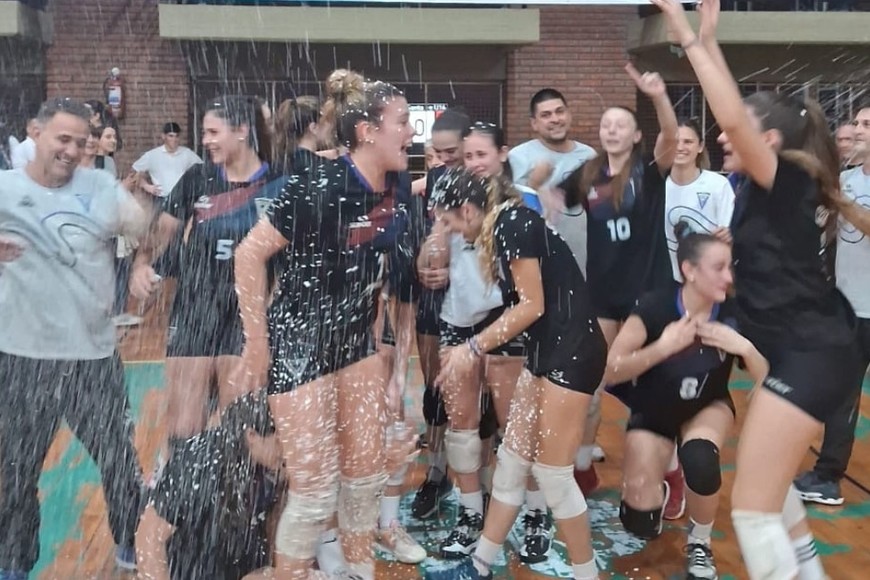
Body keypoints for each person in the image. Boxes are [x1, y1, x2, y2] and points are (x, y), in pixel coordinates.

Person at [653, 1, 862, 578]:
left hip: (813, 349)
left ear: (766, 140)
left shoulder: (783, 176)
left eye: (737, 130)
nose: (721, 135)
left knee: (750, 511)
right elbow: (742, 117)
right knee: (770, 488)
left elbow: (737, 121)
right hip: (807, 345)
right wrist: (711, 40)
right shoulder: (755, 186)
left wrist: (686, 39)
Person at [233, 68, 416, 580]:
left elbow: (379, 277)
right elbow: (249, 256)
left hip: (356, 347)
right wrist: (256, 345)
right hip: (297, 347)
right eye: (402, 121)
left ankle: (358, 573)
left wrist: (394, 367)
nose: (411, 132)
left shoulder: (399, 190)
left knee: (363, 484)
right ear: (367, 131)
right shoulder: (318, 184)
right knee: (314, 496)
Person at [430, 169, 607, 580]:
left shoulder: (513, 223)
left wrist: (471, 349)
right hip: (548, 349)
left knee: (554, 477)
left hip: (574, 351)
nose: (451, 231)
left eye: (450, 221)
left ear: (470, 210)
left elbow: (531, 306)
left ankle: (587, 575)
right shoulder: (504, 224)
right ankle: (478, 567)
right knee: (511, 463)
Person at [0, 97, 148, 576]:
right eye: (62, 139)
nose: (71, 150)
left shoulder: (102, 188)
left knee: (120, 464)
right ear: (35, 132)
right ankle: (13, 564)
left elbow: (148, 232)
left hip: (92, 358)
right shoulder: (3, 190)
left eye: (80, 143)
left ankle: (133, 547)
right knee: (14, 474)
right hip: (22, 358)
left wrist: (141, 266)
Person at [605, 223, 767, 580]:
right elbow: (611, 370)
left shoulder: (735, 311)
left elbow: (768, 376)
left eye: (730, 266)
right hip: (655, 408)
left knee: (701, 459)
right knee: (640, 521)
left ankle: (700, 541)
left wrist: (745, 348)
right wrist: (663, 348)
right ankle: (660, 481)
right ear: (689, 271)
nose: (728, 276)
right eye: (719, 267)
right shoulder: (655, 306)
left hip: (707, 405)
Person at [129, 95, 284, 464]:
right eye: (204, 133)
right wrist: (141, 264)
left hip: (248, 315)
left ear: (242, 131)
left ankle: (234, 512)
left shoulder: (279, 182)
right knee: (184, 427)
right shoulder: (199, 178)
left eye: (214, 132)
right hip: (196, 306)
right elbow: (159, 234)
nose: (207, 141)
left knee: (238, 426)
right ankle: (178, 508)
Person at [554, 64, 678, 497]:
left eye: (621, 124)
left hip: (648, 294)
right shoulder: (587, 174)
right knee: (590, 382)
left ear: (635, 135)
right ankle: (583, 467)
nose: (612, 130)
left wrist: (659, 96)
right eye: (606, 124)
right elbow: (551, 199)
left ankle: (672, 470)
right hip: (603, 296)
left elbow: (671, 135)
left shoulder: (649, 169)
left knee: (654, 385)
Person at [794, 104, 870, 506]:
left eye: (867, 125)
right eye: (856, 123)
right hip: (850, 308)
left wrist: (839, 201)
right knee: (842, 395)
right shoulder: (846, 179)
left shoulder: (845, 189)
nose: (857, 130)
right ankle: (827, 477)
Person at [135, 389, 282, 580]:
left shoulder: (272, 465)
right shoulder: (198, 467)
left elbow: (274, 528)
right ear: (252, 436)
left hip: (238, 562)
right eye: (280, 440)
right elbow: (149, 537)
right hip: (196, 569)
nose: (288, 449)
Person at [412, 108, 473, 521]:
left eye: (453, 152)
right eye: (439, 152)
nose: (446, 159)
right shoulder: (434, 180)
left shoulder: (490, 182)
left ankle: (480, 485)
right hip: (435, 298)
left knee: (474, 398)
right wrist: (424, 264)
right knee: (435, 391)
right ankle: (436, 474)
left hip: (478, 298)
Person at [664, 117, 735, 282]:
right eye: (675, 142)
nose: (680, 147)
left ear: (700, 146)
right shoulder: (658, 188)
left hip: (709, 281)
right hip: (667, 280)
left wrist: (728, 236)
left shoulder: (718, 185)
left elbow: (729, 231)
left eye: (688, 142)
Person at [131, 122, 203, 198]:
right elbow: (133, 172)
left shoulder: (187, 154)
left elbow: (203, 169)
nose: (174, 139)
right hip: (162, 198)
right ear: (163, 136)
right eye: (171, 136)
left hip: (182, 199)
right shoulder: (152, 155)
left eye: (177, 136)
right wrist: (146, 186)